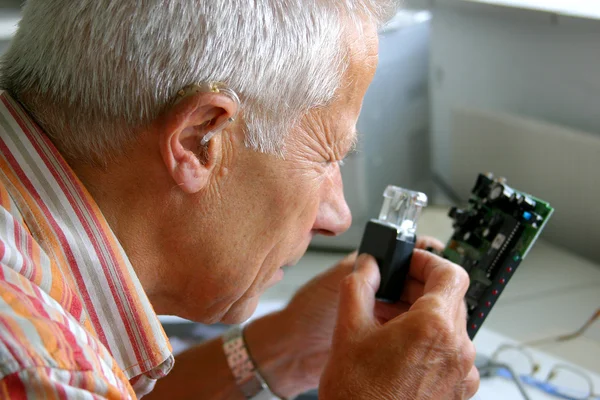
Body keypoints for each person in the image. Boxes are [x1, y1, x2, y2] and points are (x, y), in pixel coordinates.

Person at [0, 1, 479, 399]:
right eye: (327, 156)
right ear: (198, 140)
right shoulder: (40, 372)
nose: (338, 217)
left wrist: (289, 346)